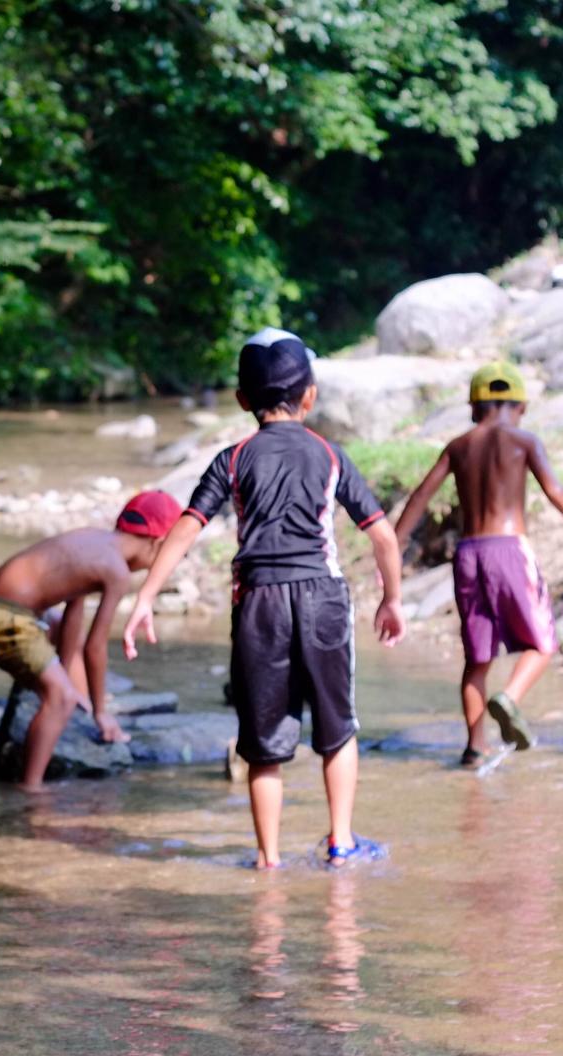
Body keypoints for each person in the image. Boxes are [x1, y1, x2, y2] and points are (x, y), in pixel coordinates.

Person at [122, 329, 405, 869]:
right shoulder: (329, 453)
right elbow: (384, 537)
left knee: (263, 740)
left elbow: (187, 527)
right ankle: (341, 843)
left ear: (242, 400)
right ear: (310, 396)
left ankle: (268, 859)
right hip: (322, 598)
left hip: (258, 604)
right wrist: (391, 599)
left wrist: (146, 596)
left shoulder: (233, 459)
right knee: (337, 727)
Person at [393, 362, 563, 768]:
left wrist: (394, 543)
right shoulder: (524, 440)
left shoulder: (458, 445)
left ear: (474, 408)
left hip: (468, 555)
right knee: (542, 643)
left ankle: (475, 747)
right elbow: (555, 490)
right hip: (510, 550)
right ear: (522, 406)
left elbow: (421, 496)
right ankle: (510, 698)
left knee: (477, 659)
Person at [0, 490, 182, 791]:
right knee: (61, 699)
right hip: (6, 617)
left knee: (63, 642)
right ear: (159, 544)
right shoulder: (117, 572)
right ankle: (31, 790)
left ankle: (67, 697)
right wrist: (100, 712)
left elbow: (73, 613)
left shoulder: (94, 540)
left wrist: (66, 669)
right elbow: (97, 647)